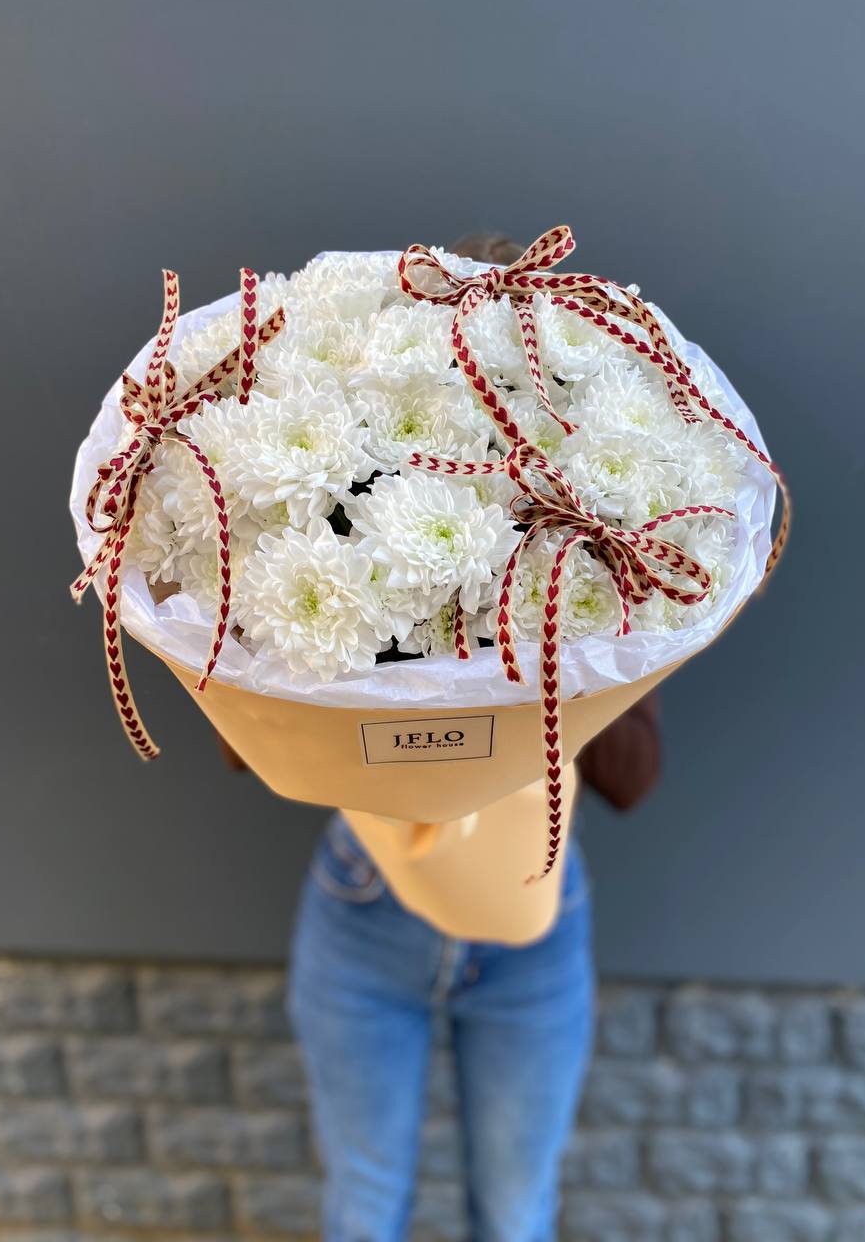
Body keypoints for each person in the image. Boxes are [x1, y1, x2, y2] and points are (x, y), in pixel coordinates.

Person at [218, 236, 663, 1241]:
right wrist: (324, 628)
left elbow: (633, 778)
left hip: (534, 921)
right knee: (365, 1206)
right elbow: (246, 747)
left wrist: (584, 638)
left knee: (515, 1215)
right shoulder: (356, 514)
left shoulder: (589, 550)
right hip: (364, 905)